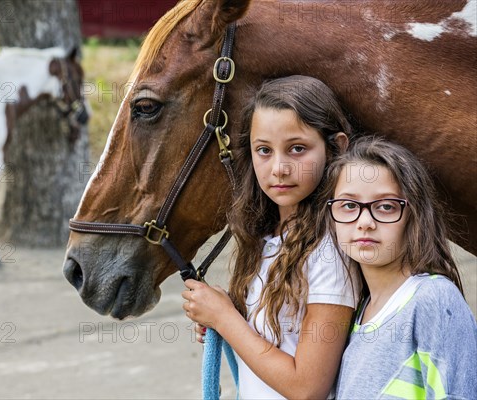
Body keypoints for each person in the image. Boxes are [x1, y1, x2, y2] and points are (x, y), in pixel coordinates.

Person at [182, 75, 360, 399]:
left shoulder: (329, 252)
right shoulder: (269, 240)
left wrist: (226, 321)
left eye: (297, 149)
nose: (279, 168)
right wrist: (230, 319)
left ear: (336, 147)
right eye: (264, 150)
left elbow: (307, 387)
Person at [320, 137, 477, 399]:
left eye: (385, 206)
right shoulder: (357, 312)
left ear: (414, 215)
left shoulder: (433, 299)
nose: (365, 222)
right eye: (349, 205)